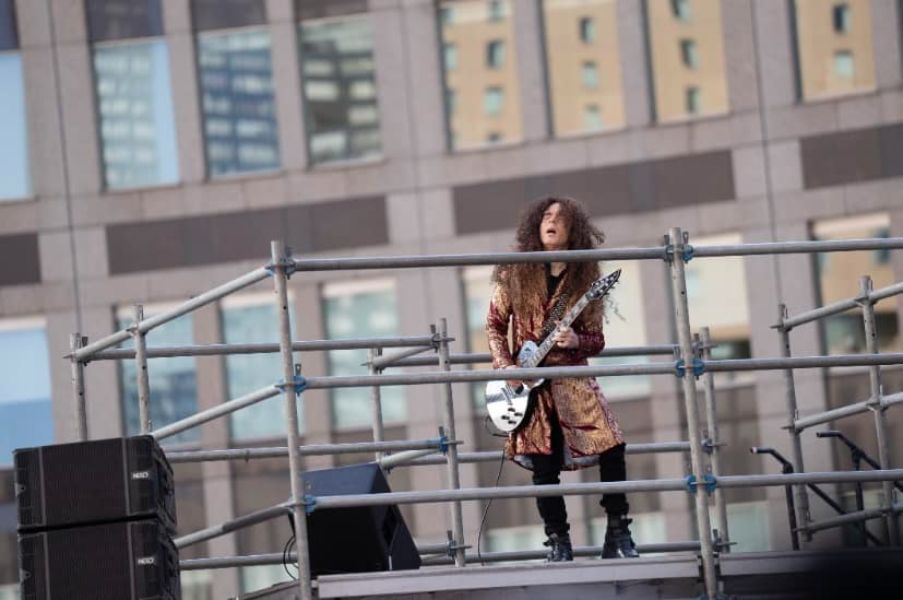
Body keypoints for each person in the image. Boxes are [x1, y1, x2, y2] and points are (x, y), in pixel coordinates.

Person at [485, 196, 638, 562]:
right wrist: (506, 367)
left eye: (561, 217)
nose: (551, 221)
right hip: (527, 384)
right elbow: (493, 324)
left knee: (613, 447)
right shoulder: (515, 272)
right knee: (544, 466)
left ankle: (618, 531)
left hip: (572, 380)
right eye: (546, 216)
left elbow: (597, 340)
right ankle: (558, 541)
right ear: (536, 225)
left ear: (573, 231)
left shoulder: (584, 277)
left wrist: (577, 340)